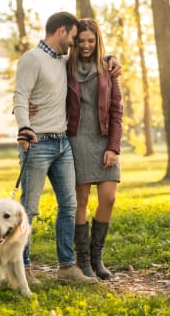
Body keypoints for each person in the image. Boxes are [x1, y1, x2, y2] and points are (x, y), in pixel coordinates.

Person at [13, 12, 120, 284]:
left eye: (83, 40)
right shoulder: (36, 59)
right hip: (39, 142)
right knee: (30, 207)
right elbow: (21, 95)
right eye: (75, 37)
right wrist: (24, 125)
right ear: (62, 32)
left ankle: (68, 267)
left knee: (69, 207)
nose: (77, 44)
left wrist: (112, 59)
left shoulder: (63, 62)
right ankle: (21, 267)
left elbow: (94, 67)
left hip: (62, 143)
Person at [66, 18, 123, 280]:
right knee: (81, 201)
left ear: (97, 41)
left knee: (109, 198)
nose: (86, 45)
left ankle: (97, 256)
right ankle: (84, 261)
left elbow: (116, 111)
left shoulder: (108, 69)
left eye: (91, 40)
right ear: (75, 42)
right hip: (77, 139)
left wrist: (113, 147)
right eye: (81, 41)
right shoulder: (66, 67)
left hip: (103, 139)